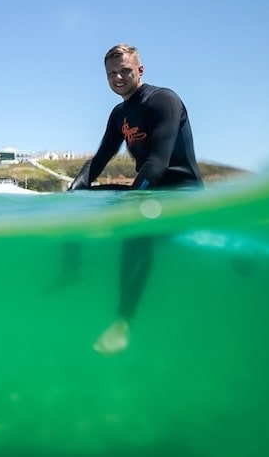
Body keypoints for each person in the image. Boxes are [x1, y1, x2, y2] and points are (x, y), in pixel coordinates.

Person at [67, 43, 202, 356]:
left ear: (140, 71)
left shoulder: (163, 100)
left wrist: (134, 198)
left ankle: (123, 321)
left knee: (135, 229)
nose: (118, 77)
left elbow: (158, 161)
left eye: (125, 71)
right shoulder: (119, 114)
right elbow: (99, 158)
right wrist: (76, 190)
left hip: (182, 193)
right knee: (75, 201)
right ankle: (69, 269)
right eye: (111, 73)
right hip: (149, 189)